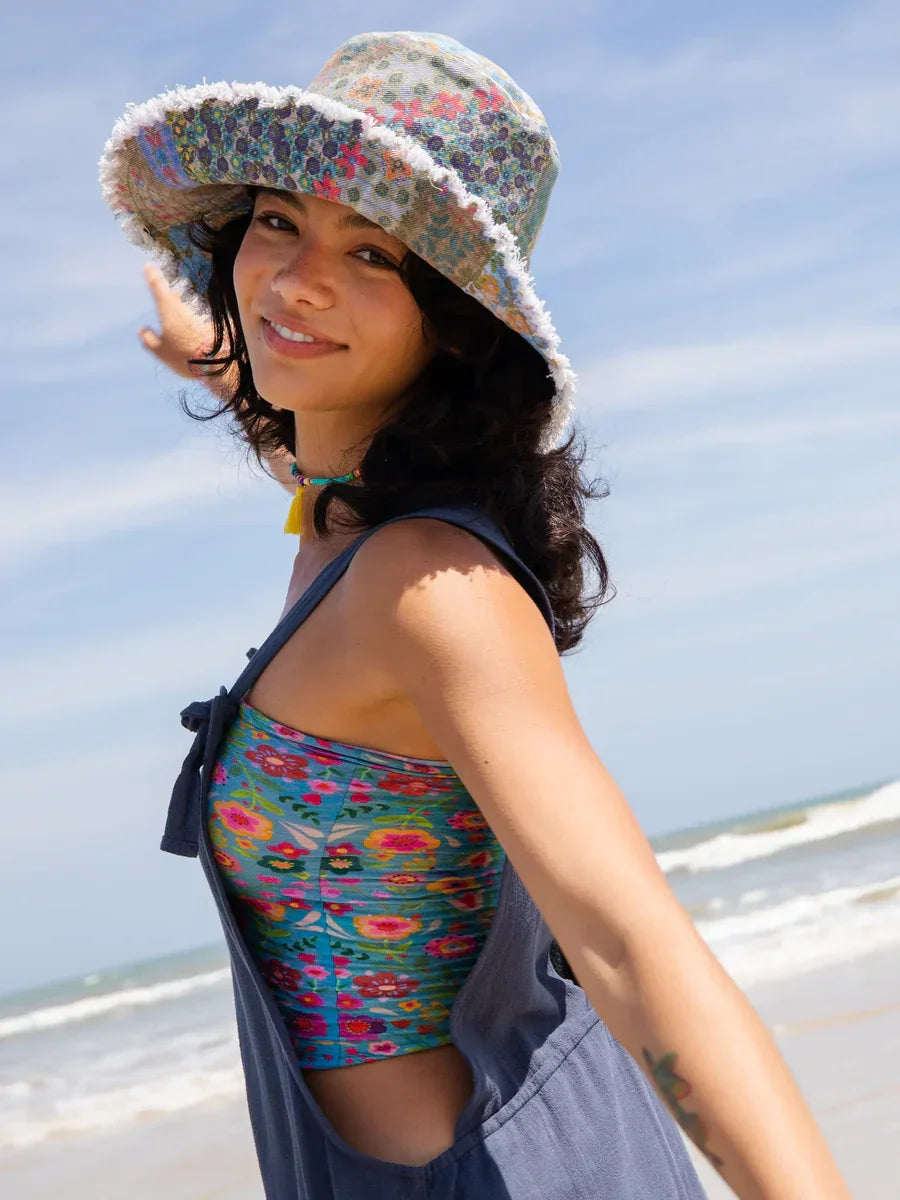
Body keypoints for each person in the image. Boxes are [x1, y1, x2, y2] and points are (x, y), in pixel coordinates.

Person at [100, 30, 853, 1199]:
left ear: (450, 320)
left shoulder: (426, 589)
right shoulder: (347, 516)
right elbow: (309, 449)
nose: (299, 281)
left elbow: (629, 945)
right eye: (279, 223)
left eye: (375, 256)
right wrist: (217, 355)